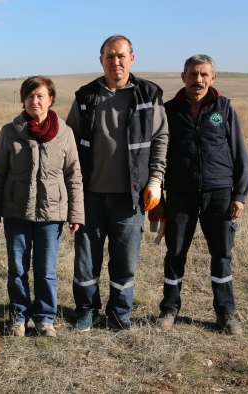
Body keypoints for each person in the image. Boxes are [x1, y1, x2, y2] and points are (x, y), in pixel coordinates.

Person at [66, 35, 169, 330]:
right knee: (86, 262)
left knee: (125, 262)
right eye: (110, 56)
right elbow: (70, 144)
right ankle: (86, 311)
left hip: (132, 197)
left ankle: (119, 314)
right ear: (101, 61)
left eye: (121, 56)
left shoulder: (149, 94)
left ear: (132, 59)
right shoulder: (85, 97)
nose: (116, 62)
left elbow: (161, 138)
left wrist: (156, 179)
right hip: (90, 197)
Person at [155, 54, 248, 335]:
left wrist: (240, 195)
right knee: (175, 253)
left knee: (221, 254)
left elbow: (240, 153)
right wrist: (158, 198)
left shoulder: (224, 108)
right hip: (180, 193)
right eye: (193, 74)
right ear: (183, 76)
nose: (198, 80)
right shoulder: (169, 110)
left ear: (213, 78)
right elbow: (158, 156)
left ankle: (226, 313)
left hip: (219, 192)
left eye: (204, 75)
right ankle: (169, 309)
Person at [0, 76, 84, 338]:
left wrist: (76, 213)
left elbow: (74, 175)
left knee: (46, 270)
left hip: (52, 215)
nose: (35, 101)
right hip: (17, 212)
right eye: (30, 96)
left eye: (40, 96)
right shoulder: (10, 131)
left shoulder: (65, 133)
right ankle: (19, 316)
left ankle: (44, 318)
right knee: (17, 268)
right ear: (23, 100)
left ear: (51, 99)